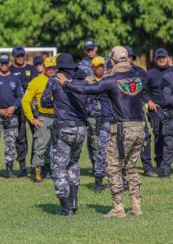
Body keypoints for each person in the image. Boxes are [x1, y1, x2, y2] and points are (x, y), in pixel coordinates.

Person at [57, 46, 145, 218]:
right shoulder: (139, 78)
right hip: (139, 128)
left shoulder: (112, 80)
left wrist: (66, 83)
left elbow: (86, 90)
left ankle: (118, 208)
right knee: (131, 167)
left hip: (121, 129)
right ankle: (136, 206)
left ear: (112, 60)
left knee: (112, 168)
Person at [41, 53, 88, 216]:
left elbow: (44, 102)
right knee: (73, 164)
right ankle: (74, 202)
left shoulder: (54, 80)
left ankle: (66, 207)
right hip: (81, 128)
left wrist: (57, 102)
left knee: (58, 168)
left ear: (59, 67)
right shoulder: (82, 81)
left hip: (63, 128)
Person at [145, 48, 173, 173]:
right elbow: (144, 91)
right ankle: (159, 164)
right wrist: (149, 102)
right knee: (159, 136)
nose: (162, 59)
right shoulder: (150, 73)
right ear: (155, 59)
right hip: (157, 109)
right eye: (159, 58)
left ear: (168, 58)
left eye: (163, 57)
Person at [21, 57, 57, 183]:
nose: (52, 70)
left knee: (56, 147)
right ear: (44, 67)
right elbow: (25, 101)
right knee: (40, 146)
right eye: (49, 68)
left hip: (58, 118)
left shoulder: (61, 80)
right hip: (44, 117)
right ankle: (38, 173)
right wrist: (31, 118)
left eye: (54, 68)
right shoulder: (36, 81)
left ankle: (52, 170)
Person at [126, 46, 156, 177]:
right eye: (124, 57)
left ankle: (148, 168)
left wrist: (148, 101)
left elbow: (142, 90)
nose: (127, 59)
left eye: (129, 56)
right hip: (120, 112)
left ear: (132, 58)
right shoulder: (113, 72)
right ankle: (122, 168)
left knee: (145, 138)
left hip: (137, 110)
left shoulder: (140, 72)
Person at [10, 46, 38, 177]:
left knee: (37, 136)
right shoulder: (10, 70)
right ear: (13, 57)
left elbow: (33, 86)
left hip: (32, 107)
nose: (20, 58)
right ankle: (22, 167)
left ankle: (35, 165)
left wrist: (21, 86)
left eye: (22, 55)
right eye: (18, 56)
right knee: (20, 138)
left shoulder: (32, 69)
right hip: (17, 108)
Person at [86, 56, 111, 192]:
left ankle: (109, 174)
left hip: (108, 117)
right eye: (97, 66)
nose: (100, 68)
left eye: (102, 66)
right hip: (93, 118)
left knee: (110, 147)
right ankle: (98, 176)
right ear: (93, 68)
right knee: (96, 146)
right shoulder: (88, 80)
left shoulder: (108, 79)